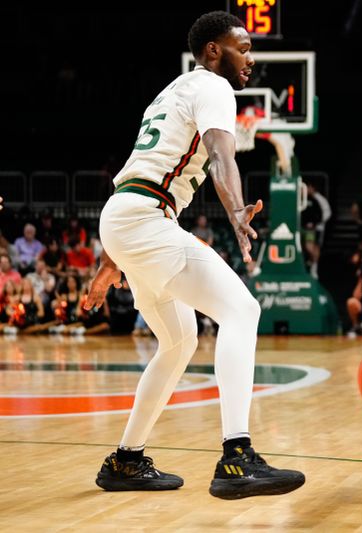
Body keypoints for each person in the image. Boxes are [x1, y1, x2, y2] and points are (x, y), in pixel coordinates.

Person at [83, 11, 304, 499]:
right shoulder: (213, 87)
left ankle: (126, 460)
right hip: (144, 221)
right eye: (242, 49)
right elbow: (223, 154)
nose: (249, 59)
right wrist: (237, 211)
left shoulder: (171, 92)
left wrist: (109, 260)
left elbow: (138, 174)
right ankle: (237, 458)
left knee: (179, 343)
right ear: (212, 51)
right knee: (243, 310)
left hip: (127, 218)